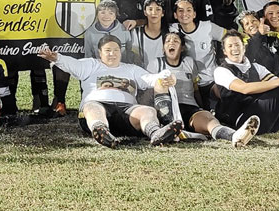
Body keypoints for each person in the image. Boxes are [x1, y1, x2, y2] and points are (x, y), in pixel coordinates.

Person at [38, 36, 183, 148]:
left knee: (147, 111)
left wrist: (168, 76)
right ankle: (101, 131)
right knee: (91, 107)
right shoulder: (91, 65)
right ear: (100, 52)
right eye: (107, 50)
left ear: (121, 52)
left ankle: (156, 133)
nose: (112, 54)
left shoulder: (131, 69)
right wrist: (56, 57)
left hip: (127, 111)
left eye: (116, 50)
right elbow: (71, 64)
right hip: (98, 105)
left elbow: (151, 79)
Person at [148, 31, 258, 147]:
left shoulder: (189, 63)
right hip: (166, 108)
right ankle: (167, 130)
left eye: (176, 41)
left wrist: (202, 107)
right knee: (160, 83)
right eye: (168, 41)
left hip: (189, 107)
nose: (172, 43)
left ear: (182, 48)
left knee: (209, 121)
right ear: (163, 47)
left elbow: (195, 89)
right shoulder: (155, 64)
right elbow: (149, 90)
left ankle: (235, 136)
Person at [169, 0, 225, 109]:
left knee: (223, 98)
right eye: (180, 11)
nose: (185, 14)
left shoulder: (207, 27)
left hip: (210, 79)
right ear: (175, 15)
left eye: (189, 10)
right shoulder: (172, 30)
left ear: (194, 14)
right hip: (187, 83)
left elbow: (230, 37)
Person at [129, 0, 167, 70]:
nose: (154, 13)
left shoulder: (169, 32)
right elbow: (135, 56)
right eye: (150, 9)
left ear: (163, 13)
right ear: (145, 12)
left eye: (158, 9)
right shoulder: (136, 33)